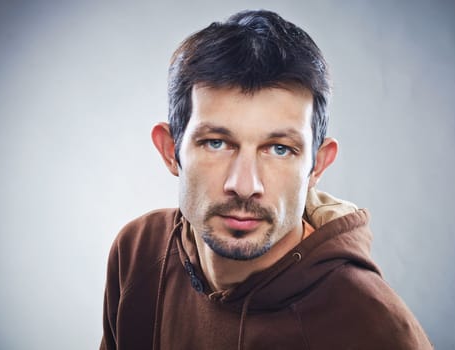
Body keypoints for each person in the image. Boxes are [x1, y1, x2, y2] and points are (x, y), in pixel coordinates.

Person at [100, 9, 432, 350]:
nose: (245, 185)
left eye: (279, 149)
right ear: (171, 150)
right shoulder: (138, 252)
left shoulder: (373, 326)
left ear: (317, 166)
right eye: (216, 143)